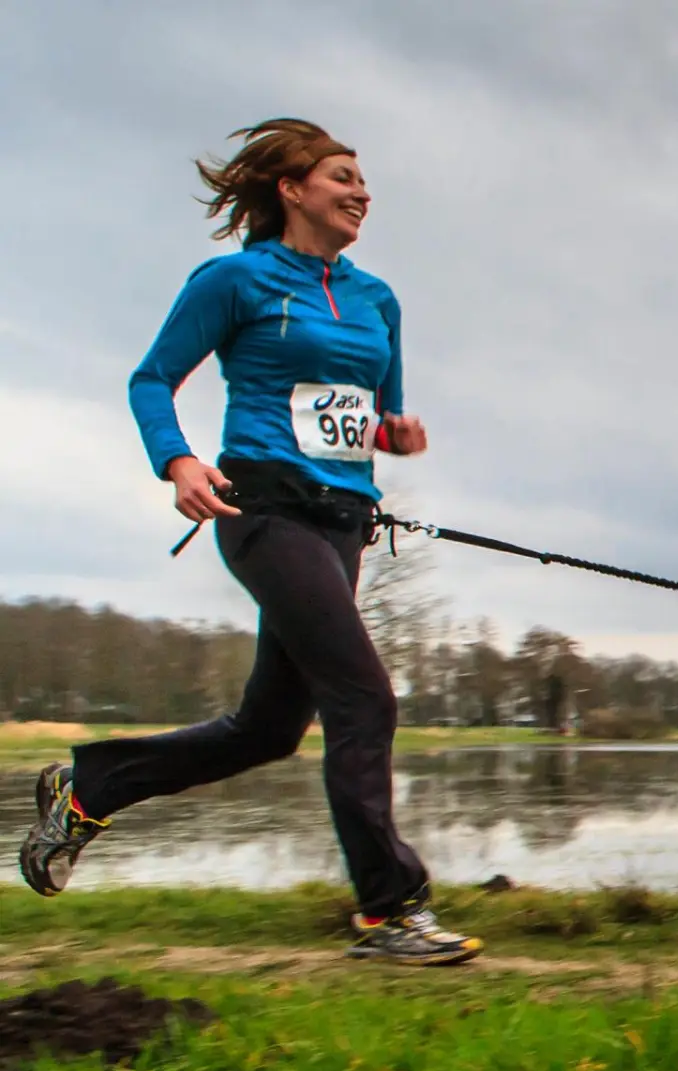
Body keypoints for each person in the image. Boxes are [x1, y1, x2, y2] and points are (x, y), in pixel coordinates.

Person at [17, 118, 483, 966]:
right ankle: (391, 911)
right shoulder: (235, 281)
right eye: (341, 175)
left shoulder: (378, 299)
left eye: (364, 180)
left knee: (268, 730)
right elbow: (151, 378)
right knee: (365, 699)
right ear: (291, 189)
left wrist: (394, 437)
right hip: (263, 515)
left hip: (343, 524)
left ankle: (91, 788)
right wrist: (178, 461)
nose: (361, 190)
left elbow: (368, 415)